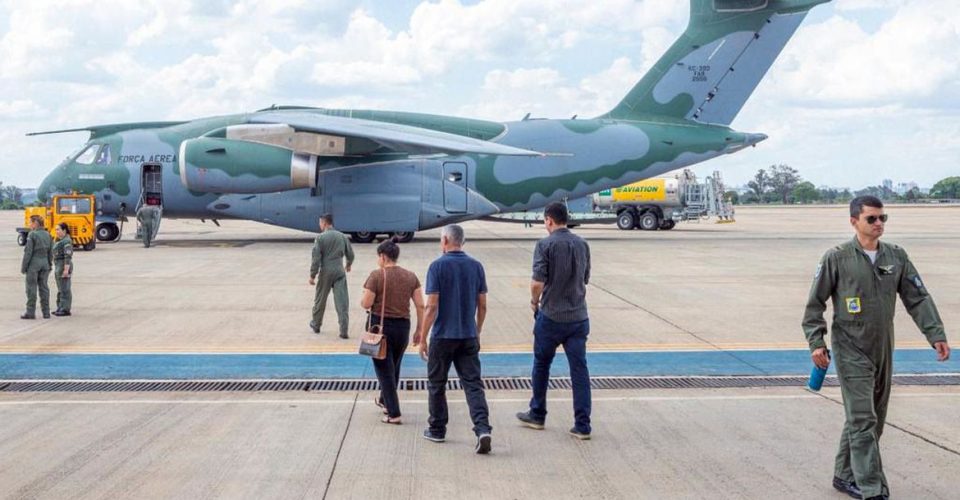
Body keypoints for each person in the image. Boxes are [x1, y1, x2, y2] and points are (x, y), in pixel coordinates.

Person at [803, 195, 950, 500]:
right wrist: (817, 341)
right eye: (872, 218)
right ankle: (872, 488)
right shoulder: (836, 257)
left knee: (872, 418)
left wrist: (935, 333)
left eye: (883, 218)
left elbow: (917, 297)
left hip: (882, 347)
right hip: (849, 348)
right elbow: (814, 305)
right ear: (854, 221)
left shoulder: (896, 256)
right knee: (863, 419)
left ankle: (844, 475)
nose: (879, 223)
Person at [516, 202, 593, 440]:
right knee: (579, 370)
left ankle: (537, 413)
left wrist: (534, 301)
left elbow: (537, 282)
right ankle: (582, 425)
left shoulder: (544, 245)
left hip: (551, 316)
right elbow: (585, 278)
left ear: (549, 220)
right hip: (578, 316)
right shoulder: (582, 244)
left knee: (541, 364)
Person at [419, 224, 492, 454]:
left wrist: (422, 337)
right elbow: (482, 305)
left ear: (445, 241)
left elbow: (431, 306)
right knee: (473, 384)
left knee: (437, 384)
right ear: (462, 242)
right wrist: (477, 329)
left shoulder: (437, 267)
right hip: (468, 334)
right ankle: (482, 429)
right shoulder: (476, 266)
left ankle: (437, 429)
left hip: (443, 336)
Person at [360, 238, 425, 424]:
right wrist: (420, 329)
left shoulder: (376, 276)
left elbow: (366, 303)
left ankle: (394, 412)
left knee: (384, 371)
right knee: (394, 366)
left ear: (382, 256)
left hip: (381, 330)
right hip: (403, 328)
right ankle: (384, 401)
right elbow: (421, 305)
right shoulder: (411, 276)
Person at [309, 214, 354, 338]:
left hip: (326, 272)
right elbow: (350, 254)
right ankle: (343, 330)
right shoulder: (342, 236)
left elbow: (316, 259)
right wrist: (348, 264)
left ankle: (316, 324)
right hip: (339, 271)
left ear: (324, 223)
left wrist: (312, 275)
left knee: (320, 299)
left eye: (320, 223)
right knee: (342, 301)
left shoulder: (320, 238)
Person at [21, 215, 53, 319]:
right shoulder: (48, 234)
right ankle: (46, 312)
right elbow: (50, 252)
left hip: (34, 264)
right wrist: (49, 264)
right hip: (45, 263)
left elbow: (28, 253)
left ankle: (30, 312)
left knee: (31, 288)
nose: (29, 224)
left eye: (30, 222)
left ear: (35, 223)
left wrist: (24, 267)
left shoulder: (32, 234)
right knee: (44, 288)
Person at [52, 222, 74, 317]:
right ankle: (60, 307)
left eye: (58, 229)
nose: (56, 231)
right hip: (58, 265)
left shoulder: (66, 241)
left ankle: (65, 309)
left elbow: (68, 256)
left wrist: (66, 270)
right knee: (60, 287)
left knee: (65, 288)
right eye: (56, 229)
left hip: (63, 265)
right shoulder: (59, 240)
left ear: (64, 230)